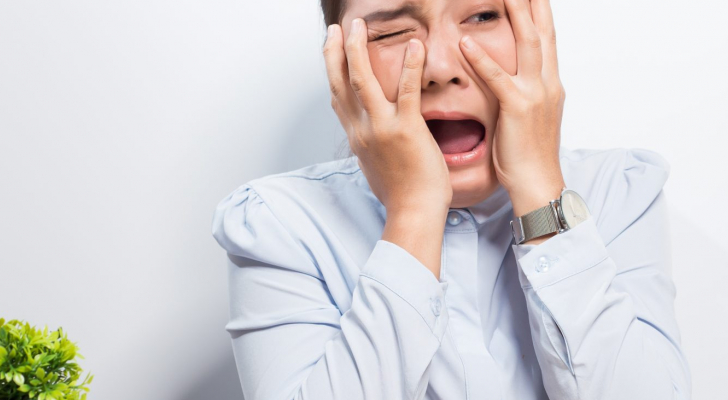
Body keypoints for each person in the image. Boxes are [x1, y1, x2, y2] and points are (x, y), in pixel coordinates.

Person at [211, 0, 690, 398]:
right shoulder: (280, 222)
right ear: (341, 65)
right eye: (389, 33)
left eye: (483, 15)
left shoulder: (617, 190)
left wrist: (540, 189)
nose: (439, 68)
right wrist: (415, 211)